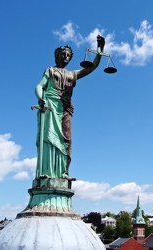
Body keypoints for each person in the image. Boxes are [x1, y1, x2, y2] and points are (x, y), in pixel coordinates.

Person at [34, 35, 105, 181]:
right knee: (48, 137)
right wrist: (41, 98)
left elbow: (93, 67)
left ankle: (63, 173)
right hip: (50, 106)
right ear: (57, 56)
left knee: (66, 140)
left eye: (68, 55)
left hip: (65, 109)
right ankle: (46, 171)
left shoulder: (73, 74)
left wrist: (100, 49)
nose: (65, 57)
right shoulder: (50, 71)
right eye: (63, 54)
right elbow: (40, 86)